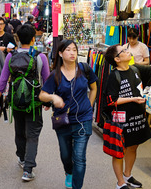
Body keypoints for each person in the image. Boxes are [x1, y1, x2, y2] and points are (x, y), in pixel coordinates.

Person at [0, 24, 57, 182]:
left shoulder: (10, 56)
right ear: (34, 39)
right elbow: (47, 80)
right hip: (34, 103)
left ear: (18, 39)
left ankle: (22, 158)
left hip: (15, 101)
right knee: (33, 134)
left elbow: (3, 80)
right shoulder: (40, 57)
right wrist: (48, 100)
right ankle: (28, 170)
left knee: (19, 131)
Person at [104, 44, 151, 189]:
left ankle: (127, 174)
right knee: (120, 151)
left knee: (133, 146)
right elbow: (112, 100)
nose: (128, 51)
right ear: (117, 59)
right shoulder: (114, 76)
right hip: (122, 121)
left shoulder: (135, 69)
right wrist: (132, 99)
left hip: (138, 118)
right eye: (124, 51)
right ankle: (120, 182)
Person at [39, 40, 98, 189]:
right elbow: (42, 95)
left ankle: (77, 186)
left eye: (74, 50)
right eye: (68, 50)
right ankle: (69, 172)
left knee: (79, 158)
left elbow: (94, 88)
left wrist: (89, 107)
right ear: (60, 53)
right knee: (66, 155)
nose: (72, 53)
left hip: (83, 119)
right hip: (63, 120)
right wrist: (53, 97)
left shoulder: (85, 69)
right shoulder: (55, 75)